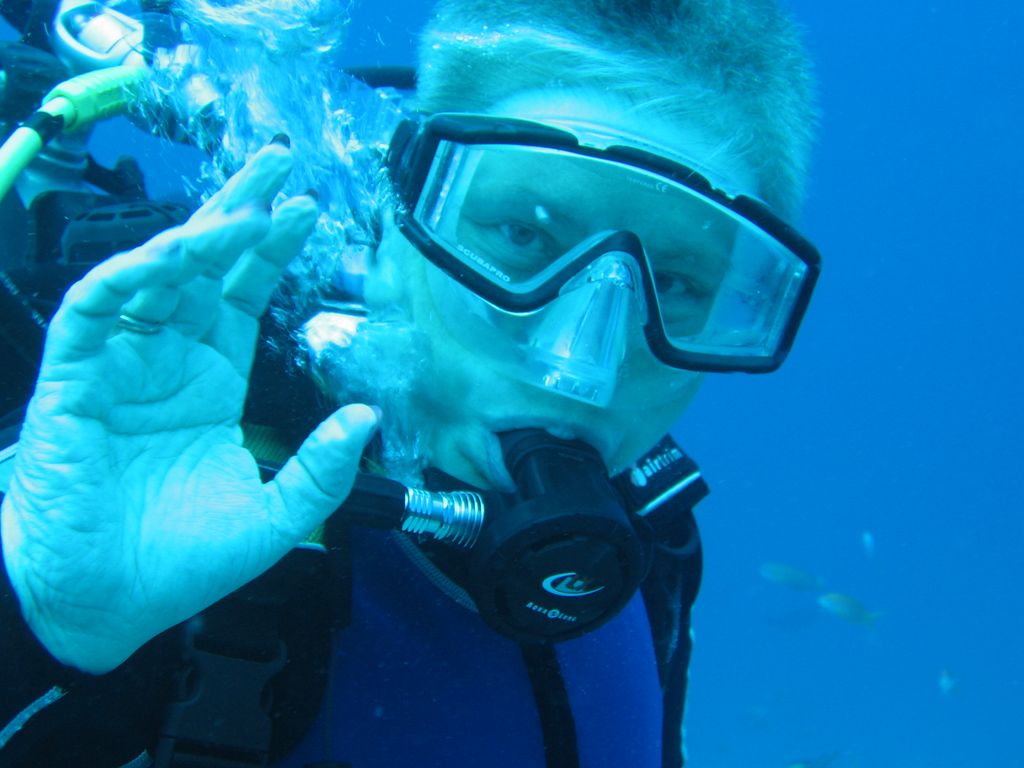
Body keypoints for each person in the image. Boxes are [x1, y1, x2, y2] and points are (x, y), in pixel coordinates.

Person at [0, 0, 821, 766]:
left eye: (675, 283)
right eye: (521, 233)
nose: (578, 366)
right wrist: (44, 622)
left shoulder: (655, 540)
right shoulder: (163, 462)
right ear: (392, 227)